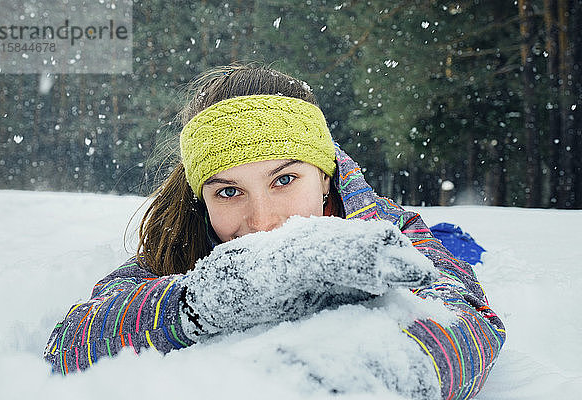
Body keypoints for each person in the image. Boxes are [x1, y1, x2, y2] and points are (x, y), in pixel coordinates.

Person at [44, 64, 505, 399]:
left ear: (324, 176)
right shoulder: (184, 240)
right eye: (228, 192)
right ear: (202, 199)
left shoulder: (388, 230)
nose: (261, 221)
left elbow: (468, 318)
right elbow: (70, 342)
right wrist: (204, 301)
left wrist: (375, 373)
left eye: (284, 180)